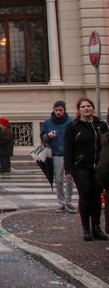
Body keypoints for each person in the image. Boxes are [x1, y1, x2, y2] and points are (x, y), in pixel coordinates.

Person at [63, 97, 108, 241]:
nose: (86, 108)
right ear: (79, 110)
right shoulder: (73, 126)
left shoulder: (101, 125)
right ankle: (86, 228)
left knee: (97, 196)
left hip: (99, 166)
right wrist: (68, 169)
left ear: (93, 108)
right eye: (83, 107)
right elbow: (68, 148)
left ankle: (96, 227)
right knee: (85, 193)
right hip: (81, 166)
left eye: (89, 106)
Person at [42, 101, 76, 212]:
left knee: (69, 178)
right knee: (58, 179)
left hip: (69, 154)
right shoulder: (48, 123)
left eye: (60, 110)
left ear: (64, 110)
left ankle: (69, 200)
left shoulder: (71, 122)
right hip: (56, 154)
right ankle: (61, 202)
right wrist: (48, 135)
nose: (58, 112)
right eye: (56, 110)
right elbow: (42, 137)